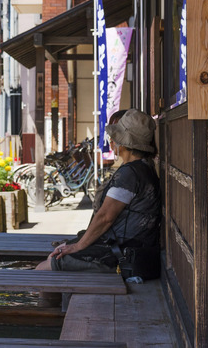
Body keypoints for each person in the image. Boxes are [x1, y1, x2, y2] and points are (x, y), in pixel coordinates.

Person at [36, 109, 161, 275]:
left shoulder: (130, 174)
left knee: (44, 268)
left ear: (124, 142)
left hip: (122, 256)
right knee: (57, 254)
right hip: (130, 248)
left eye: (115, 137)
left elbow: (105, 218)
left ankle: (47, 301)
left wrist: (77, 246)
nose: (112, 141)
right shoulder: (143, 168)